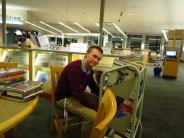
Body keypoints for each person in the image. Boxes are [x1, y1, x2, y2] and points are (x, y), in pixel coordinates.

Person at [55, 45, 103, 138]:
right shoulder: (74, 68)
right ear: (86, 54)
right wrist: (95, 108)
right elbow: (79, 95)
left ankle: (92, 129)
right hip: (63, 98)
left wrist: (106, 94)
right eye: (94, 56)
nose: (96, 60)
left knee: (99, 101)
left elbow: (94, 88)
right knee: (92, 116)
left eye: (99, 59)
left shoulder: (89, 69)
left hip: (75, 94)